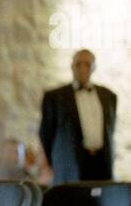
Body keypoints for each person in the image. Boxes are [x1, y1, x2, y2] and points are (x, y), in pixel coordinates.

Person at [38, 49, 117, 183]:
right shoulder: (54, 97)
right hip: (70, 164)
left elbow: (111, 128)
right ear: (71, 66)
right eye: (78, 64)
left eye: (87, 64)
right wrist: (56, 163)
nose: (82, 68)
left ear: (94, 67)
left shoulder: (109, 96)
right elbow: (46, 133)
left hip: (101, 162)